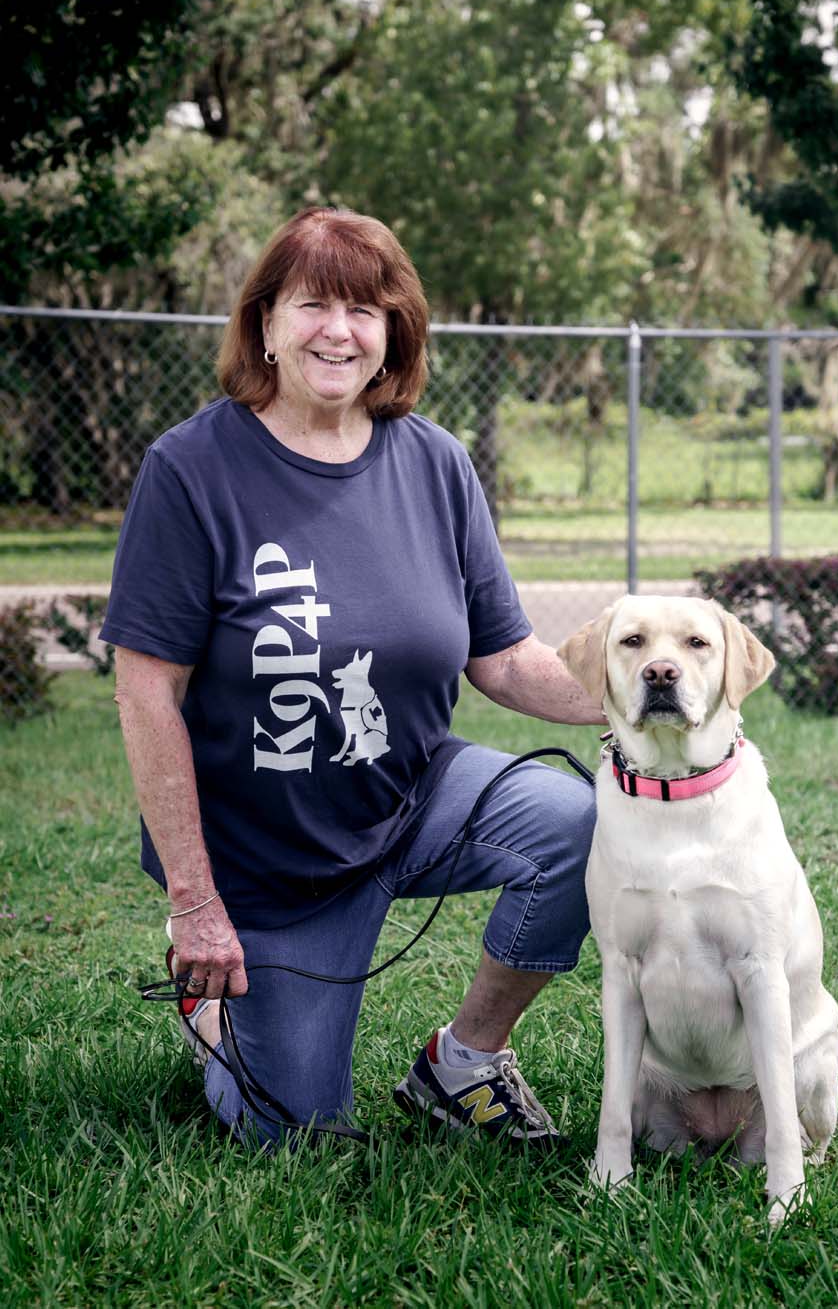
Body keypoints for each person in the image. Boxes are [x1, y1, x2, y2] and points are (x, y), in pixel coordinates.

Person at [102, 207, 604, 1148]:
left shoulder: (437, 464)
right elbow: (145, 692)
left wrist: (645, 693)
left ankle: (463, 1062)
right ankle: (213, 1013)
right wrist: (194, 902)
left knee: (580, 823)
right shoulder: (191, 470)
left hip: (416, 792)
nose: (340, 329)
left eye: (366, 310)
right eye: (314, 305)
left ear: (392, 336)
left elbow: (501, 658)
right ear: (265, 325)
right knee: (294, 1129)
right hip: (271, 862)